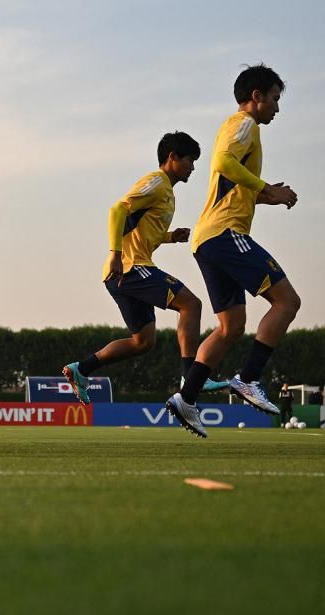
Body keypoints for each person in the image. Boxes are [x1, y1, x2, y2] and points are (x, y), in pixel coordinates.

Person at [166, 65, 300, 437]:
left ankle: (186, 397)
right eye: (275, 99)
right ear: (256, 96)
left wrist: (268, 194)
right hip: (225, 234)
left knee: (230, 326)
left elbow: (231, 178)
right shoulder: (245, 125)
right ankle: (249, 378)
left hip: (207, 239)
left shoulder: (237, 128)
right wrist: (266, 188)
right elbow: (223, 162)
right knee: (288, 302)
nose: (277, 107)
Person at [63, 132, 228, 401]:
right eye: (190, 160)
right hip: (129, 267)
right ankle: (191, 376)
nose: (193, 167)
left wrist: (170, 236)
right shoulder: (157, 181)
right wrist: (116, 253)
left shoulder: (168, 194)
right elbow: (117, 210)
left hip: (121, 273)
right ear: (172, 157)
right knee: (191, 304)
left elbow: (140, 229)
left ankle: (82, 369)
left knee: (143, 342)